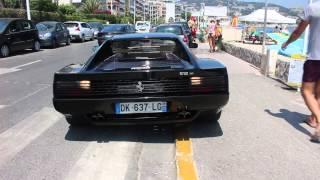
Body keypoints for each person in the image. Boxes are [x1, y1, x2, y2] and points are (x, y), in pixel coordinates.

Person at [282, 1, 320, 143]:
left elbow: (298, 32)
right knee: (318, 93)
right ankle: (313, 119)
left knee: (306, 91)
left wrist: (287, 43)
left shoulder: (313, 8)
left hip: (315, 58)